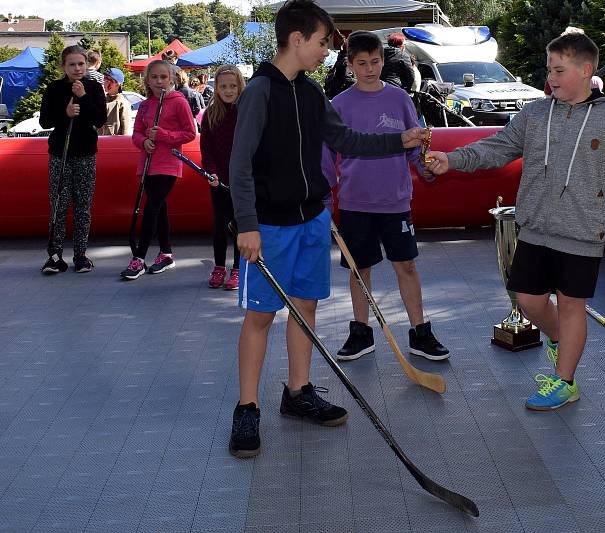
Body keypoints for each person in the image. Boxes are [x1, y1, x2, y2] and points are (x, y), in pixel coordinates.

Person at [227, 0, 426, 458]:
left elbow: (347, 141)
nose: (325, 53)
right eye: (320, 43)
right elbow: (240, 165)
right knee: (260, 317)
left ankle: (298, 392)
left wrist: (400, 140)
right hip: (269, 227)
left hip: (313, 219)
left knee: (306, 309)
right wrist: (248, 225)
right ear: (297, 40)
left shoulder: (312, 93)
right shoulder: (259, 91)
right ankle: (247, 408)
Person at [425, 31, 605, 411]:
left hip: (582, 233)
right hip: (536, 228)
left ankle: (565, 381)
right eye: (549, 70)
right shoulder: (535, 113)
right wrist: (452, 159)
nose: (551, 78)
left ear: (585, 69)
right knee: (529, 301)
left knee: (572, 305)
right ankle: (564, 342)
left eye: (559, 70)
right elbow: (496, 147)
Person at [321, 31, 449, 363]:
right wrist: (322, 200)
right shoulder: (339, 105)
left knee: (405, 264)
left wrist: (426, 167)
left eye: (375, 62)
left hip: (395, 201)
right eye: (361, 63)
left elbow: (415, 148)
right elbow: (327, 156)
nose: (369, 69)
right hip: (354, 202)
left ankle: (420, 332)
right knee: (359, 269)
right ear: (349, 65)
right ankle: (360, 332)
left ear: (383, 59)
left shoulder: (400, 100)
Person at [121, 59, 197, 280]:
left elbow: (189, 133)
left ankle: (139, 257)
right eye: (154, 77)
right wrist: (144, 141)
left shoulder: (179, 101)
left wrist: (164, 135)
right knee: (160, 207)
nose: (159, 81)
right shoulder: (145, 105)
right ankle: (166, 253)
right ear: (147, 80)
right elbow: (136, 133)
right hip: (147, 163)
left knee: (152, 206)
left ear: (172, 79)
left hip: (169, 163)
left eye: (163, 77)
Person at [39, 45, 107, 274]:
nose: (77, 68)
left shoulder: (94, 88)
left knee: (83, 206)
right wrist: (65, 113)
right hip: (61, 153)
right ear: (63, 67)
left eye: (81, 64)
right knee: (58, 203)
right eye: (72, 64)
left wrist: (83, 97)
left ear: (86, 65)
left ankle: (81, 254)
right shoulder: (55, 88)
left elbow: (99, 119)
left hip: (86, 153)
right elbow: (45, 121)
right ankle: (55, 255)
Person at [200, 64, 244, 290]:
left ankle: (238, 268)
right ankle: (219, 266)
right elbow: (206, 150)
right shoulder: (210, 115)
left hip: (242, 181)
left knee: (239, 225)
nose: (228, 90)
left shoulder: (246, 112)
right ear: (216, 88)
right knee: (220, 226)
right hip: (218, 181)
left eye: (233, 86)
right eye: (223, 86)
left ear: (240, 86)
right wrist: (211, 172)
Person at [99, 67, 132, 135]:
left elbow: (126, 129)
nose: (104, 84)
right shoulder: (101, 101)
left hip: (115, 143)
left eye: (107, 81)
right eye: (104, 81)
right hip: (101, 142)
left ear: (117, 84)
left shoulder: (123, 103)